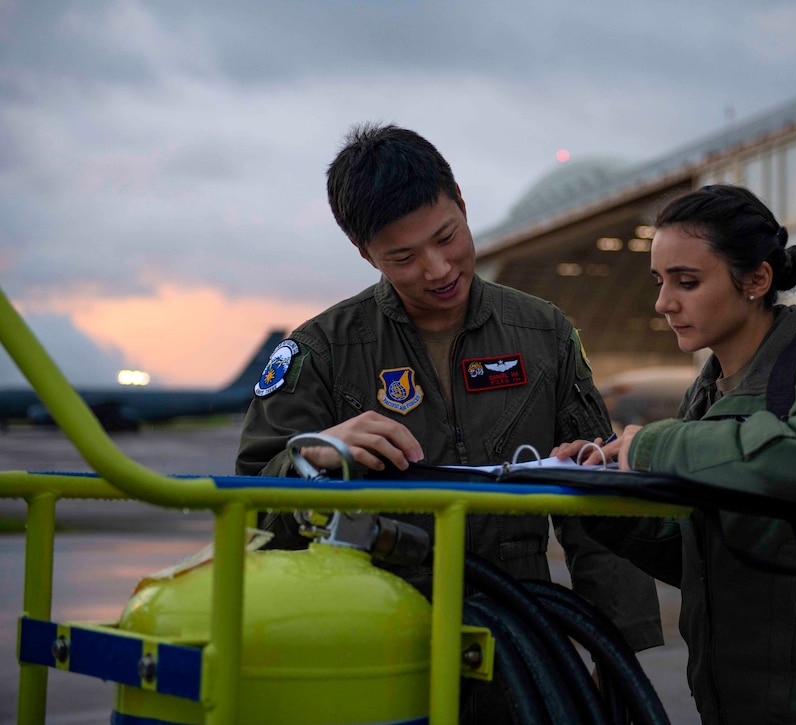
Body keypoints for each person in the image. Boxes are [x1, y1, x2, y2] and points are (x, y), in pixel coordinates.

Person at [235, 123, 662, 721]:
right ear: (365, 254)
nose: (437, 269)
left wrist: (615, 651)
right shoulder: (321, 352)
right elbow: (252, 506)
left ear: (462, 202)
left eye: (447, 237)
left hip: (519, 648)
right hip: (371, 640)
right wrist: (312, 455)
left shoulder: (545, 336)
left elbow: (600, 499)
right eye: (403, 258)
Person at [555, 184, 796, 723]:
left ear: (756, 280)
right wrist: (599, 495)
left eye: (687, 282)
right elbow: (711, 554)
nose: (663, 303)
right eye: (660, 282)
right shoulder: (708, 393)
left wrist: (653, 445)